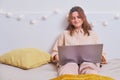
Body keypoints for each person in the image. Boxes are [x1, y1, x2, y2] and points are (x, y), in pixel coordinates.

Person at [50, 6, 107, 76]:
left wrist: (100, 57)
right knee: (68, 71)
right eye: (73, 18)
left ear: (83, 18)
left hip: (88, 62)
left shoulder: (92, 34)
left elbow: (101, 53)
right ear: (70, 20)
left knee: (90, 71)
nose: (76, 20)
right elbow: (55, 52)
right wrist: (57, 57)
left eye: (78, 17)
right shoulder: (64, 34)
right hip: (69, 63)